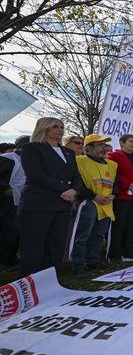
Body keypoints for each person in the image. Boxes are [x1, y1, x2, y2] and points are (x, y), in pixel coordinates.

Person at [18, 117, 81, 276]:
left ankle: (51, 280)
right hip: (38, 204)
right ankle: (31, 282)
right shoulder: (32, 148)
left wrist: (75, 190)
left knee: (56, 245)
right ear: (44, 128)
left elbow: (76, 176)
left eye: (62, 126)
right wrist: (64, 189)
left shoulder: (68, 152)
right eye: (55, 126)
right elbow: (36, 175)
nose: (60, 129)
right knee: (34, 246)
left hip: (62, 204)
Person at [71, 134, 117, 278]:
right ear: (88, 148)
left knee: (98, 235)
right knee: (82, 235)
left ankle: (93, 261)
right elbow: (77, 182)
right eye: (99, 145)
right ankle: (78, 265)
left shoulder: (112, 164)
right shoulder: (79, 161)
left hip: (106, 204)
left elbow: (117, 183)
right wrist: (93, 196)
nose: (104, 148)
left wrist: (114, 194)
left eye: (104, 145)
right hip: (88, 203)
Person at [107, 134, 133, 261]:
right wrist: (129, 185)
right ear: (122, 143)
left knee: (132, 223)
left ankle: (129, 250)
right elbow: (115, 174)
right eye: (131, 141)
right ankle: (115, 252)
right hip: (122, 195)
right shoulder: (113, 156)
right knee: (119, 224)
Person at [0, 135, 29, 270]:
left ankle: (12, 258)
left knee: (20, 230)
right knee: (11, 229)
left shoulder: (29, 159)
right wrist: (5, 187)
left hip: (24, 198)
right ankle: (4, 261)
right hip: (8, 199)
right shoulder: (7, 158)